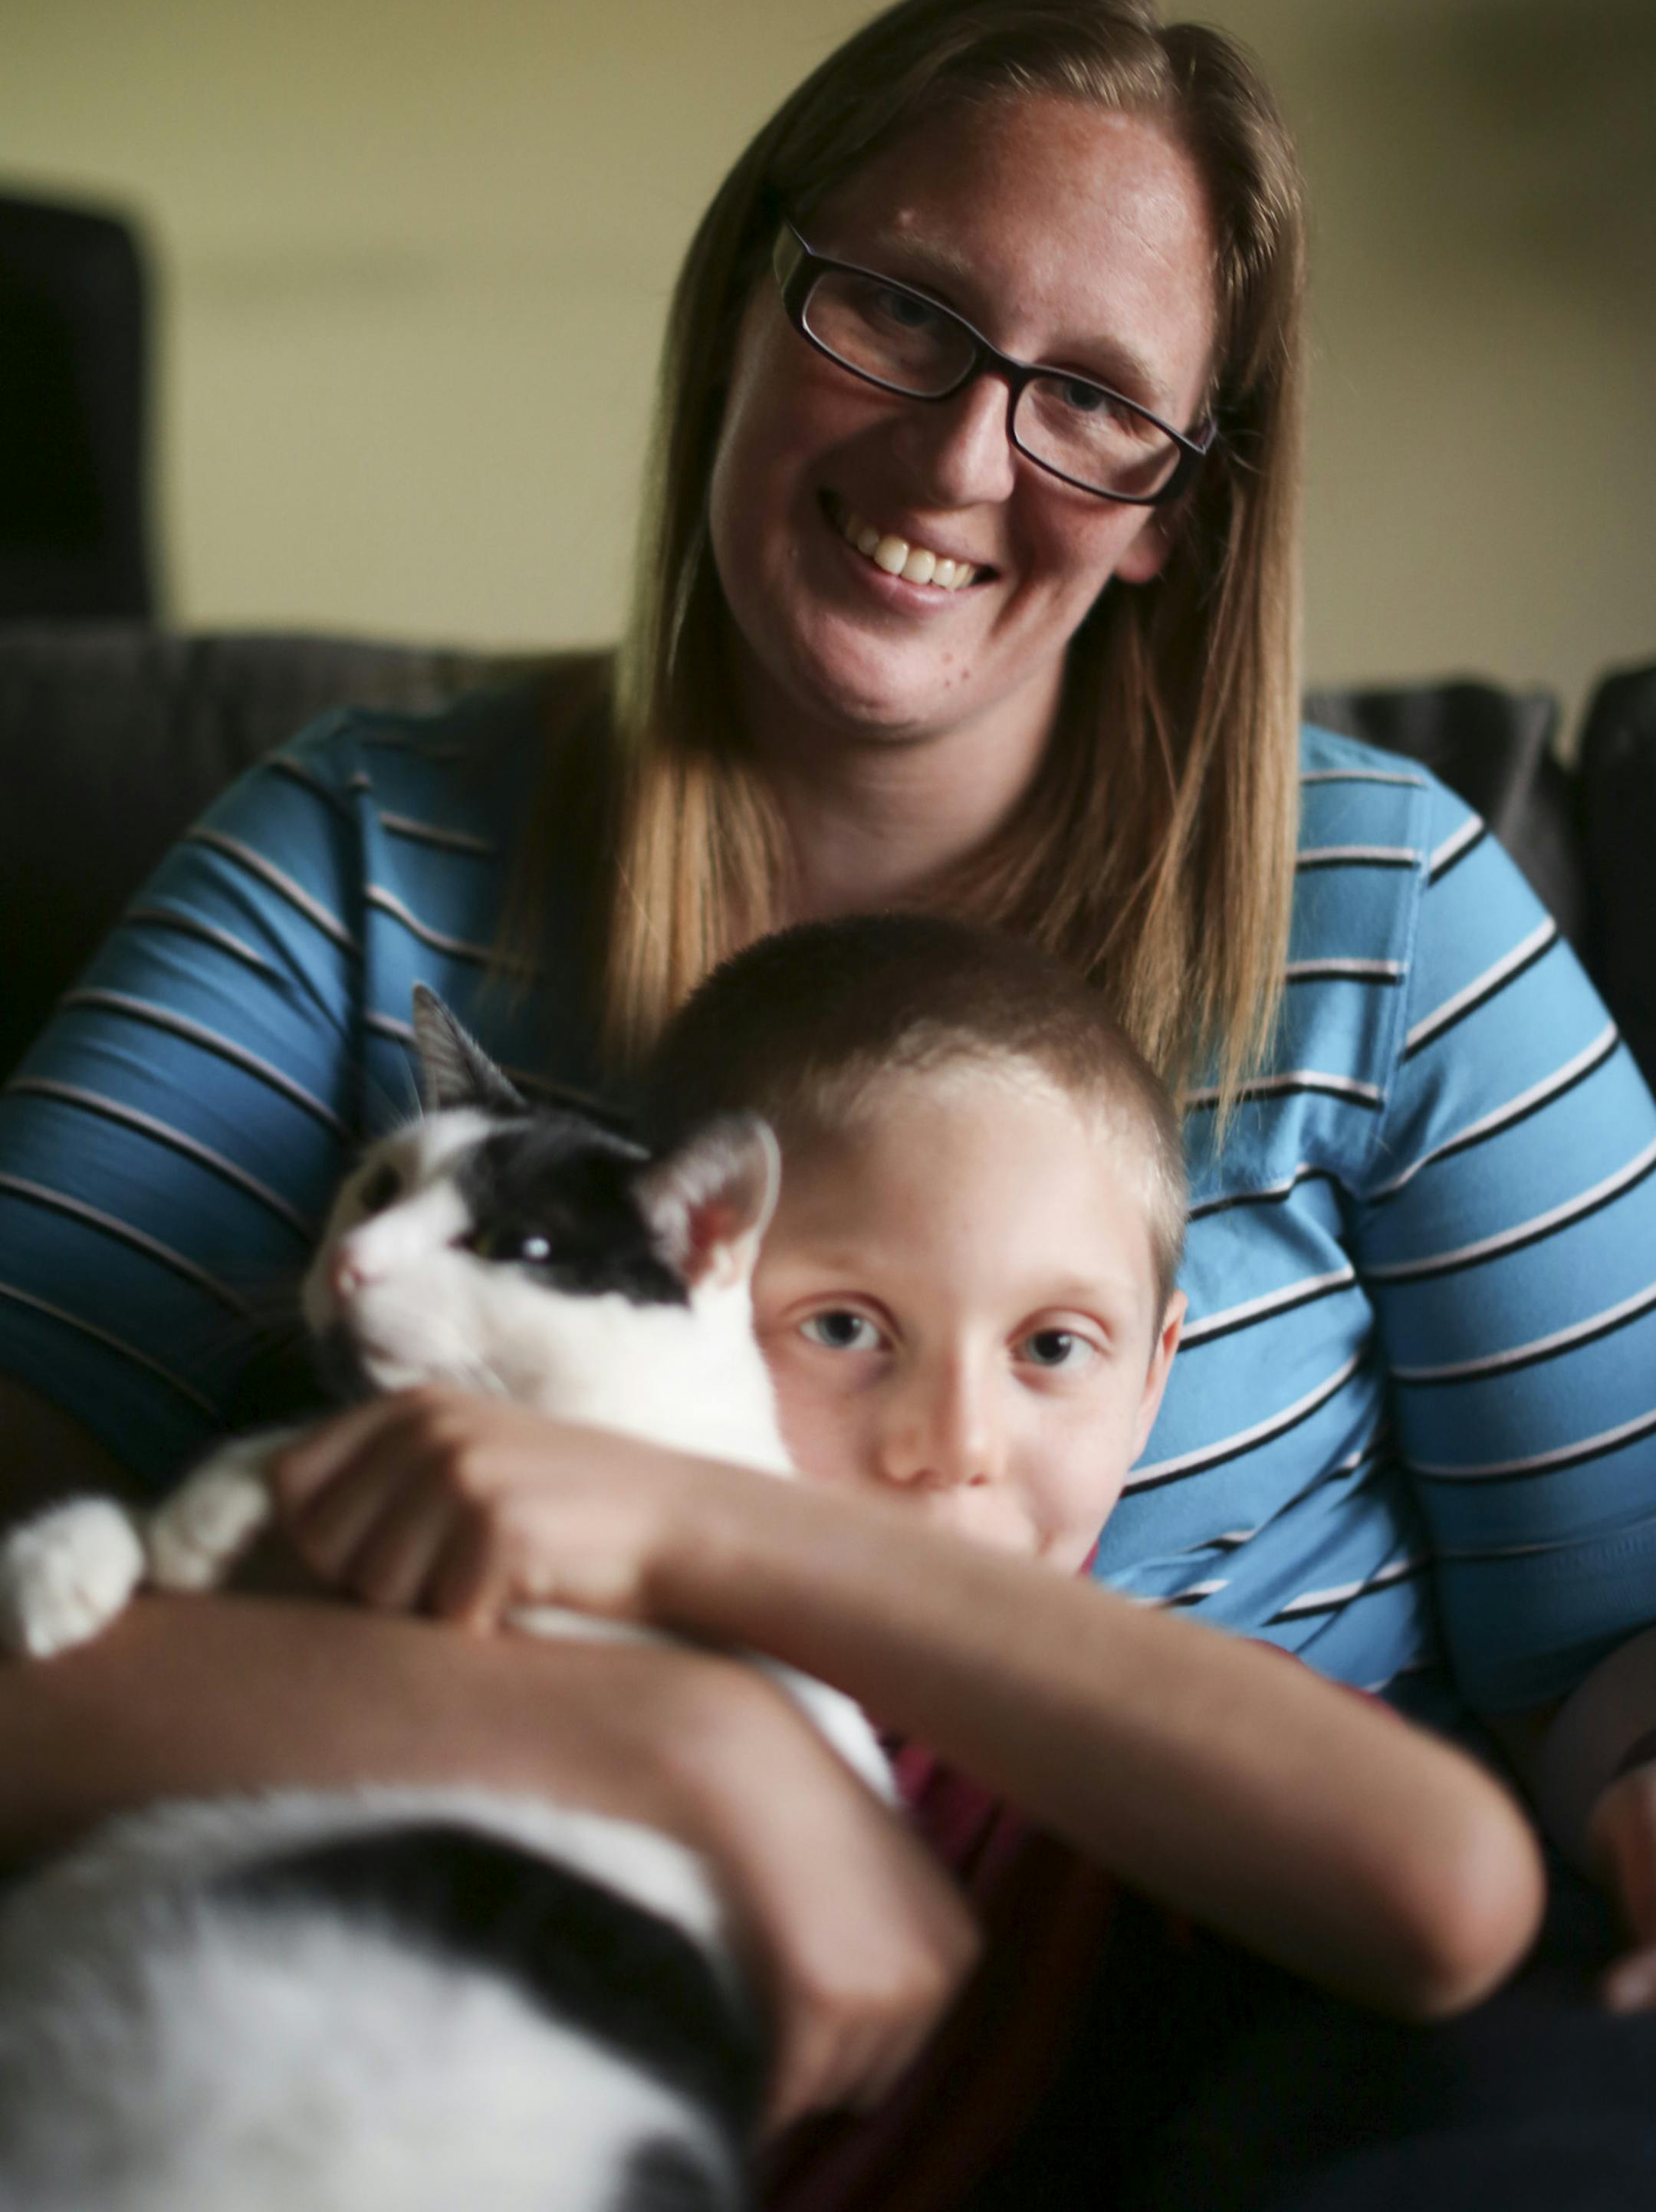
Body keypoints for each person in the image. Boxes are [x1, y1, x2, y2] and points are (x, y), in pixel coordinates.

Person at [0, 0, 1654, 2197]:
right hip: (513, 1990)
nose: (966, 456)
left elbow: (1622, 1645)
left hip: (1261, 2012)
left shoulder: (1393, 911)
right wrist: (695, 1744)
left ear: (1177, 502)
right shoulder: (357, 871)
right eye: (896, 309)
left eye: (1095, 401)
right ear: (747, 304)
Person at [267, 909, 1543, 2210]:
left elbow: (1459, 1896)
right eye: (842, 1326)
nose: (955, 1443)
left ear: (1155, 1380)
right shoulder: (476, 1618)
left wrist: (694, 1523)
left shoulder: (1127, 1743)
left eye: (1052, 1349)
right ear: (681, 1278)